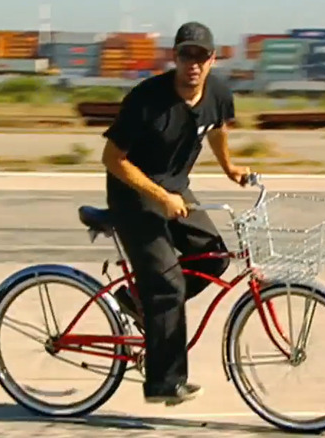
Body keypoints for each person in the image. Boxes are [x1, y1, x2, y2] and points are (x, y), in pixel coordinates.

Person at [100, 21, 250, 406]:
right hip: (133, 193)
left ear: (213, 60)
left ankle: (138, 301)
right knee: (168, 283)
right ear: (175, 57)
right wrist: (160, 196)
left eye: (201, 56)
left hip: (175, 189)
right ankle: (164, 382)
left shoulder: (217, 92)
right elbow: (112, 159)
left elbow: (215, 129)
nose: (193, 64)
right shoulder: (146, 100)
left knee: (214, 257)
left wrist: (230, 168)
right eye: (186, 55)